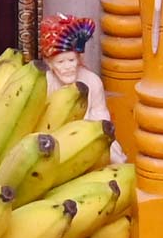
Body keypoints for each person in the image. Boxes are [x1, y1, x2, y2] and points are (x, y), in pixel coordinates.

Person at [39, 13, 125, 162]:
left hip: (88, 136)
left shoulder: (92, 81)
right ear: (50, 64)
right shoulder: (47, 84)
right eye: (60, 62)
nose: (67, 67)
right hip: (55, 138)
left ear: (79, 59)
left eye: (71, 60)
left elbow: (100, 114)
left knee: (113, 156)